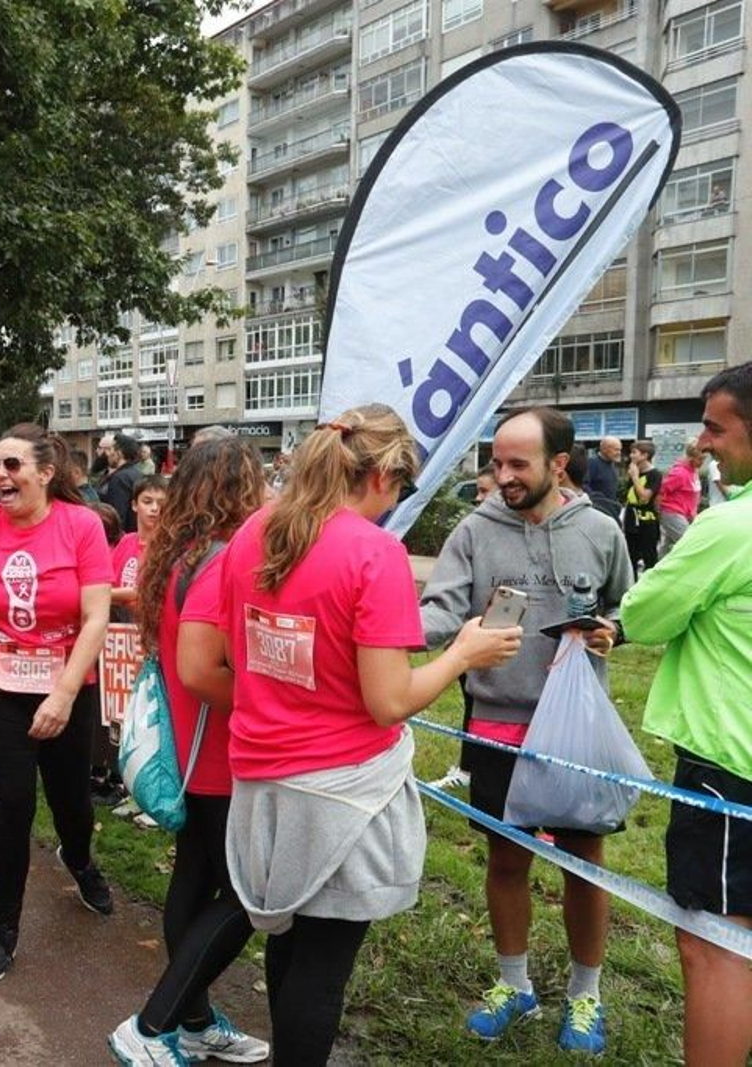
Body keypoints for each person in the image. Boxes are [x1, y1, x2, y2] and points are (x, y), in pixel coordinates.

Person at [214, 405, 520, 1065]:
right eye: (403, 488)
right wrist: (463, 652)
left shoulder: (254, 533)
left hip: (263, 777)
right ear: (382, 474)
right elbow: (389, 700)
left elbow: (237, 656)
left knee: (289, 945)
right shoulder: (374, 551)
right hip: (342, 793)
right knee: (324, 962)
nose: (397, 501)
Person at [419, 407, 631, 1054]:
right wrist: (385, 631)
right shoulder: (476, 531)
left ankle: (584, 993)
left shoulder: (599, 530)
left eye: (518, 464)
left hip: (574, 726)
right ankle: (515, 983)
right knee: (506, 858)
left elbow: (626, 600)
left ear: (558, 465)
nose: (502, 476)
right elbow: (439, 608)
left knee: (582, 861)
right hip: (497, 724)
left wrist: (614, 627)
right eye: (497, 463)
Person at [0, 423, 115, 983]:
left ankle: (78, 859)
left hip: (67, 690)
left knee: (70, 803)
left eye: (13, 466)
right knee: (12, 804)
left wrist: (62, 694)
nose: (0, 476)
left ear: (45, 472)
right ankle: (2, 926)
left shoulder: (81, 526)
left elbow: (97, 618)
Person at [108, 436, 271, 1065]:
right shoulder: (221, 559)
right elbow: (203, 671)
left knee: (195, 879)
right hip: (218, 752)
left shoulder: (181, 554)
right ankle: (152, 1026)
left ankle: (196, 1018)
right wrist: (274, 703)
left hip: (193, 743)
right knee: (246, 895)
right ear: (238, 488)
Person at [620, 362, 752, 1067]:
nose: (702, 443)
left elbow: (643, 612)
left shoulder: (731, 527)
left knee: (715, 945)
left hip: (730, 766)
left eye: (715, 426)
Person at [110, 475, 167, 611]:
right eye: (147, 502)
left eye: (161, 503)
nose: (154, 508)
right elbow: (107, 581)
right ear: (134, 505)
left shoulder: (169, 547)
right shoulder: (126, 541)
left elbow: (146, 593)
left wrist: (100, 594)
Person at [621, 440, 662, 576]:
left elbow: (645, 498)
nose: (631, 456)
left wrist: (635, 477)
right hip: (631, 520)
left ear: (645, 455)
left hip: (647, 522)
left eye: (634, 453)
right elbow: (628, 496)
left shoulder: (654, 474)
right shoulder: (635, 472)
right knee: (630, 557)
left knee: (649, 557)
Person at [657, 442, 703, 559]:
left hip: (685, 514)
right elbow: (661, 490)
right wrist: (658, 511)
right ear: (691, 457)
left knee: (667, 548)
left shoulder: (694, 471)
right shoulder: (679, 473)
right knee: (689, 543)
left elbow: (693, 496)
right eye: (700, 459)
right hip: (673, 513)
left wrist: (693, 515)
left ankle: (658, 568)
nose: (702, 462)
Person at [100, 432, 144, 533]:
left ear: (119, 453)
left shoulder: (119, 479)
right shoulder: (138, 473)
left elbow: (117, 517)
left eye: (111, 450)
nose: (108, 454)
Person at [584, 436, 622, 520]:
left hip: (611, 512)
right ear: (604, 449)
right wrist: (599, 503)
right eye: (616, 449)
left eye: (620, 450)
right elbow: (584, 486)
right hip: (597, 514)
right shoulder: (592, 463)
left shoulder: (612, 464)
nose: (619, 453)